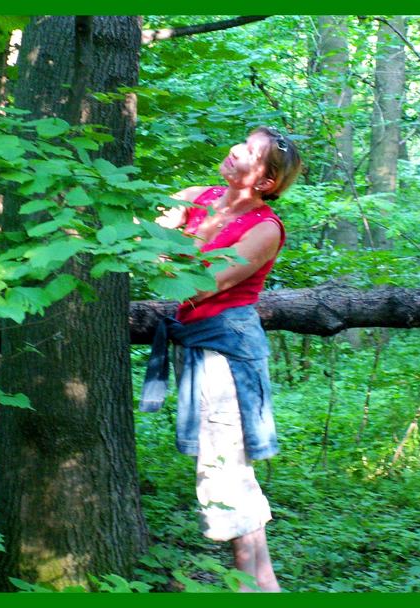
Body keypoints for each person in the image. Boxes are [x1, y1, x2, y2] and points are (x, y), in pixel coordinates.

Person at [140, 126, 302, 592]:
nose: (234, 151)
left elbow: (199, 284)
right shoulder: (198, 195)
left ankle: (254, 587)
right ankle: (263, 587)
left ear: (266, 181)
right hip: (199, 347)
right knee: (230, 471)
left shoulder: (264, 229)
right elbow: (129, 234)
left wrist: (161, 247)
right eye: (240, 142)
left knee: (224, 473)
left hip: (227, 354)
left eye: (250, 152)